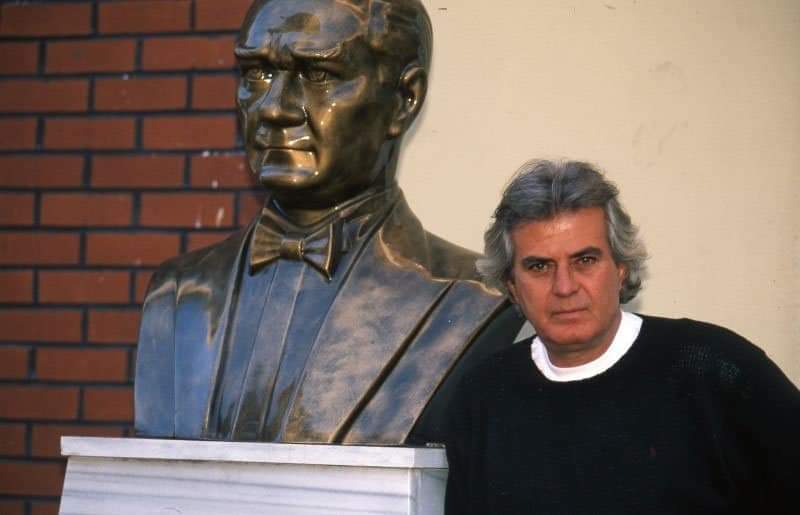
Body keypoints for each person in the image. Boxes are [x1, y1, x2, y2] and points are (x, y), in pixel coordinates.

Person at [134, 0, 521, 446]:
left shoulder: (474, 296)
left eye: (318, 75)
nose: (274, 108)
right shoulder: (178, 293)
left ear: (404, 100)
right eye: (257, 74)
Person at [444, 159, 799, 513]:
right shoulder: (481, 397)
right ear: (512, 286)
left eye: (585, 260)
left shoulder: (716, 368)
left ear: (620, 267)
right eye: (540, 266)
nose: (564, 287)